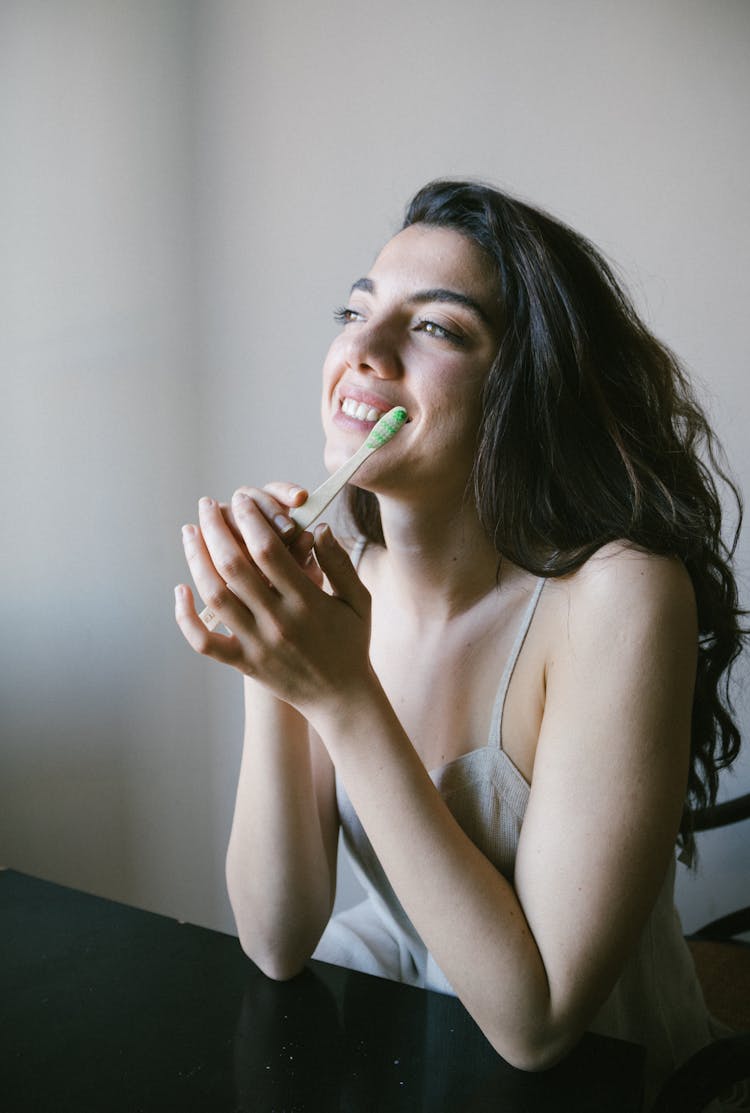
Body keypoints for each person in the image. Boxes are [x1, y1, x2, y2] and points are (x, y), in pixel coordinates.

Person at [174, 179, 746, 1107]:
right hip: (399, 1037)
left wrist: (339, 694)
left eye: (436, 328)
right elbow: (277, 937)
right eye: (356, 311)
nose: (364, 349)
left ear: (524, 385)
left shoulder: (622, 595)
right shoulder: (338, 583)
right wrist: (266, 651)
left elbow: (539, 1024)